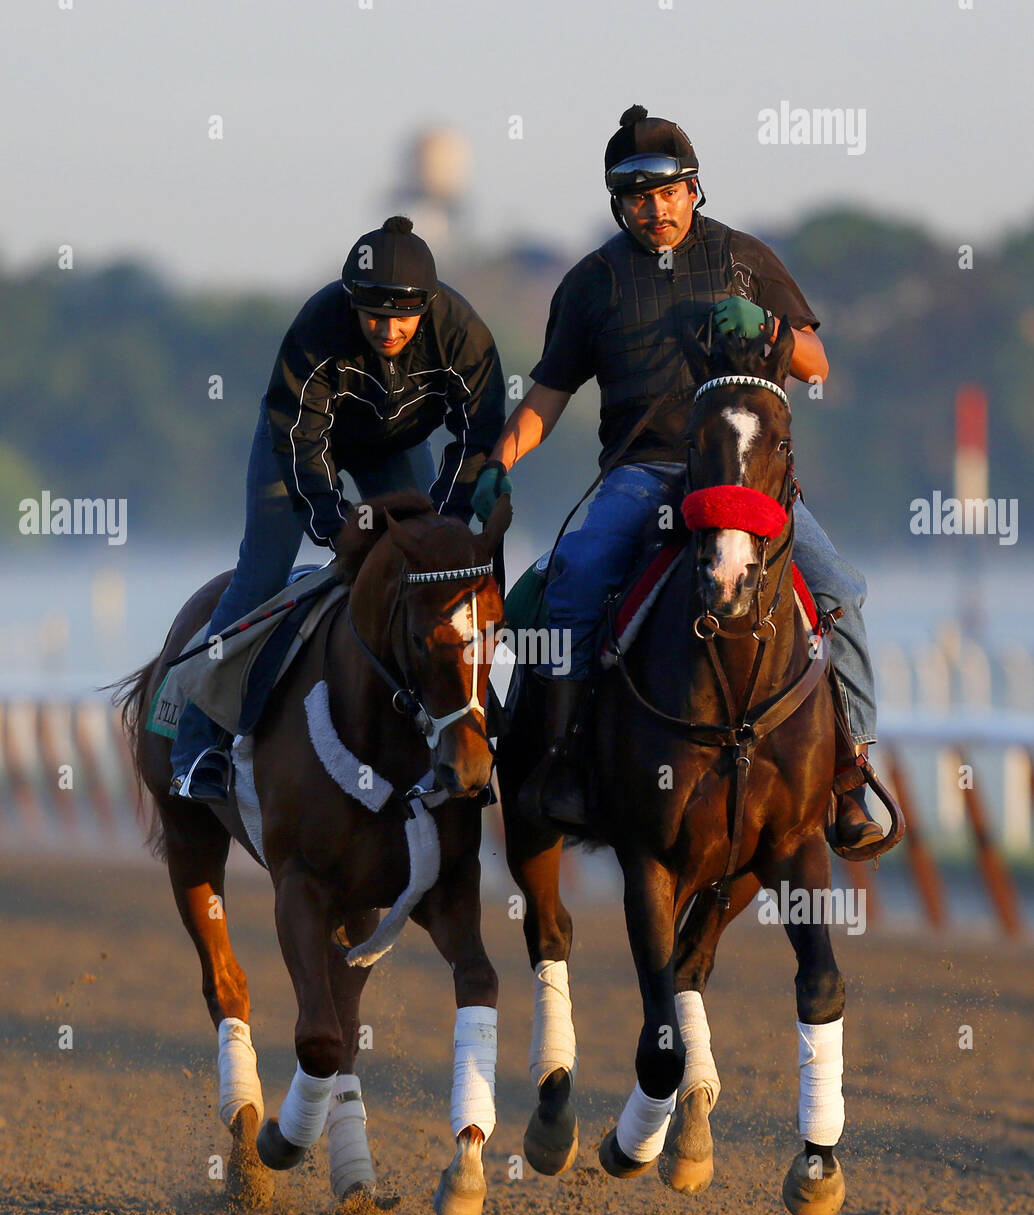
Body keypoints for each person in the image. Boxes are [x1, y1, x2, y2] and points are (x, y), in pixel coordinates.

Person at [474, 105, 881, 846]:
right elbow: (547, 396)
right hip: (643, 470)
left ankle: (850, 776)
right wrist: (499, 464)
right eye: (636, 196)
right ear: (617, 202)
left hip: (744, 477)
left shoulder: (745, 260)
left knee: (841, 591)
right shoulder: (591, 283)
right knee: (573, 581)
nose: (653, 210)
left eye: (668, 192)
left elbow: (817, 366)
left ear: (694, 189)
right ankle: (565, 765)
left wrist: (766, 330)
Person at [170, 216, 506, 802]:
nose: (387, 328)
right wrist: (333, 524)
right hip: (299, 446)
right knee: (262, 575)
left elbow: (477, 436)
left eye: (403, 315)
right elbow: (301, 438)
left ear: (429, 306)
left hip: (394, 448)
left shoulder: (463, 334)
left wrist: (446, 524)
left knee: (429, 578)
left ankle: (459, 739)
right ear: (350, 303)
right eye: (373, 314)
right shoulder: (319, 326)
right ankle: (199, 745)